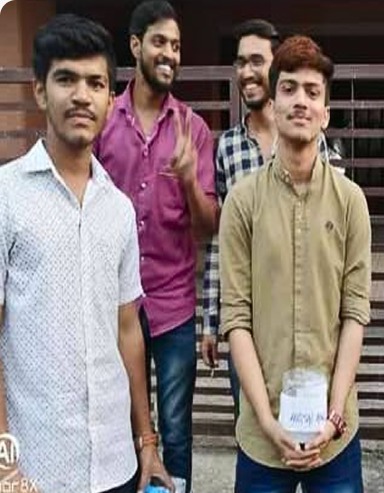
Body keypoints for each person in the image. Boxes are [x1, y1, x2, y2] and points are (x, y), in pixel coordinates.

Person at [0, 14, 172, 493]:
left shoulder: (118, 209)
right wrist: (4, 464)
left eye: (96, 83)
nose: (81, 95)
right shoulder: (6, 197)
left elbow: (128, 330)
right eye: (66, 79)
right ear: (40, 91)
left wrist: (146, 443)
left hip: (116, 465)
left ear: (110, 100)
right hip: (35, 470)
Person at [219, 35, 371, 492]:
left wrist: (334, 416)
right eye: (288, 88)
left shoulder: (351, 201)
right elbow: (236, 318)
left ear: (325, 112)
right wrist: (268, 423)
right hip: (262, 435)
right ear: (273, 103)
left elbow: (355, 313)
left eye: (312, 91)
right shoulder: (242, 202)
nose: (300, 101)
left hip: (334, 432)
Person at [94, 1, 218, 492]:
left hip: (172, 306)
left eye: (177, 46)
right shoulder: (104, 120)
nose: (170, 53)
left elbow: (208, 226)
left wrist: (188, 179)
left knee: (176, 426)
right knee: (121, 417)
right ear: (135, 45)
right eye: (160, 42)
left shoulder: (194, 129)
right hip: (113, 302)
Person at [201, 20, 343, 418]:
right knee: (253, 425)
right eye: (240, 62)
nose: (247, 72)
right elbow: (221, 240)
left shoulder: (314, 140)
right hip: (249, 324)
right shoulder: (228, 146)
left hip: (308, 325)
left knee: (310, 429)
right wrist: (211, 321)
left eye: (256, 61)